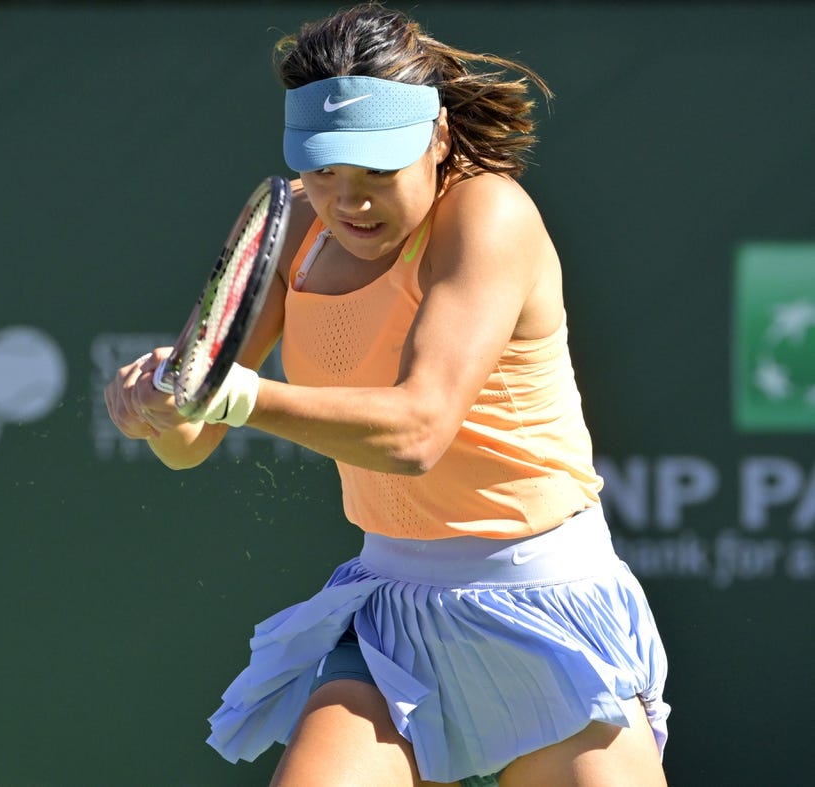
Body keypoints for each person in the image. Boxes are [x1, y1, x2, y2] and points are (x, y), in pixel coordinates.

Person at [104, 3, 670, 785]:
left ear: (438, 138)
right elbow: (187, 445)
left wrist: (235, 396)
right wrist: (162, 408)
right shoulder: (297, 224)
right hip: (392, 617)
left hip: (547, 604)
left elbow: (416, 431)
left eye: (378, 170)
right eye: (324, 167)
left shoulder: (489, 215)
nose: (348, 199)